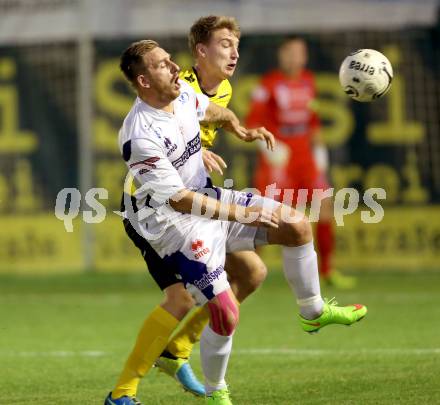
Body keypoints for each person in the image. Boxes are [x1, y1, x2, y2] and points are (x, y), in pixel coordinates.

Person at [104, 39, 367, 405]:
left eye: (170, 60)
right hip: (171, 223)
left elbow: (211, 111)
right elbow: (179, 200)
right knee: (219, 310)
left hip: (205, 198)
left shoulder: (181, 95)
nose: (174, 67)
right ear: (144, 81)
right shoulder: (139, 135)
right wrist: (242, 214)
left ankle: (313, 312)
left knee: (295, 227)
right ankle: (211, 392)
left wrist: (240, 129)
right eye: (163, 64)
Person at [154, 15, 273, 396]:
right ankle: (127, 387)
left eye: (237, 45)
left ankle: (176, 350)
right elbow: (156, 127)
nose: (235, 53)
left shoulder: (223, 89)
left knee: (252, 274)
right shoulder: (177, 85)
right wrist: (194, 152)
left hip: (197, 192)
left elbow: (214, 114)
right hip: (165, 201)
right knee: (182, 297)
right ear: (200, 52)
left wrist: (235, 129)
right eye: (226, 44)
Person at [246, 35, 356, 289]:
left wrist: (320, 151)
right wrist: (267, 146)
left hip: (305, 156)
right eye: (290, 52)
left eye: (300, 53)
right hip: (279, 159)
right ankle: (247, 269)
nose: (295, 58)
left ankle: (328, 270)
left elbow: (313, 120)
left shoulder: (308, 81)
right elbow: (252, 123)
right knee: (265, 218)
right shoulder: (268, 84)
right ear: (281, 55)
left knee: (325, 206)